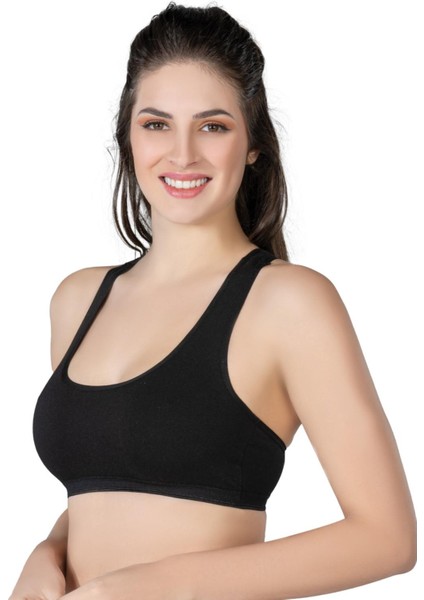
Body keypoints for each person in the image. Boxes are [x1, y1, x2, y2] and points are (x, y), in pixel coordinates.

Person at [9, 3, 416, 599]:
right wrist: (45, 553)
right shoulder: (77, 299)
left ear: (253, 144)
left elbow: (387, 539)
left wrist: (145, 587)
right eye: (156, 124)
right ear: (127, 137)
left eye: (213, 126)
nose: (182, 155)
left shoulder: (289, 303)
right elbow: (107, 485)